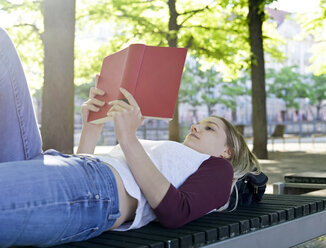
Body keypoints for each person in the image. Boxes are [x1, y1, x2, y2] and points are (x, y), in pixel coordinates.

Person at [0, 27, 261, 247]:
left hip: (95, 191)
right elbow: (84, 166)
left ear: (227, 151)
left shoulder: (219, 169)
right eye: (199, 123)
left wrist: (128, 138)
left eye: (210, 128)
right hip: (66, 166)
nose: (196, 127)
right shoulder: (171, 157)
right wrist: (92, 128)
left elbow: (176, 212)